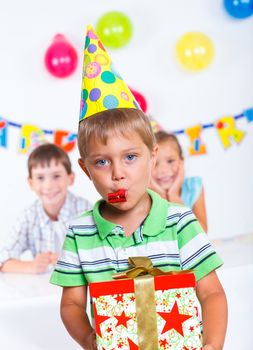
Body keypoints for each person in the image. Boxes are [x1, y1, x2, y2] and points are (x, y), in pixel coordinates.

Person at [50, 25, 227, 350]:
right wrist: (91, 338)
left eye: (130, 157)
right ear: (85, 170)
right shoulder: (79, 233)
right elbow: (72, 305)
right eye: (102, 162)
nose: (118, 174)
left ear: (152, 156)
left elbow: (212, 292)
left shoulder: (180, 222)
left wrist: (213, 344)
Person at [0, 143, 92, 274]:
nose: (48, 186)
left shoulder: (85, 210)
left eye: (56, 176)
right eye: (40, 178)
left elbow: (103, 255)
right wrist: (32, 266)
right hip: (42, 291)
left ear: (70, 178)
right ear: (31, 183)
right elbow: (2, 259)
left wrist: (72, 261)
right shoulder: (28, 216)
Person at [150, 130, 208, 232]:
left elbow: (202, 233)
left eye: (170, 161)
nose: (163, 170)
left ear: (182, 161)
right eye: (155, 164)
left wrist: (174, 196)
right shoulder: (145, 194)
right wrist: (161, 196)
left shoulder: (193, 187)